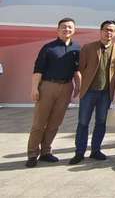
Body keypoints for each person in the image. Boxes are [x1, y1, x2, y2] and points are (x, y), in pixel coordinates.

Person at [26, 18, 80, 168]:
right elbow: (38, 70)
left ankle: (46, 151)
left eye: (70, 27)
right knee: (39, 123)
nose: (67, 29)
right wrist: (34, 88)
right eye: (64, 27)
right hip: (47, 86)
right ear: (58, 30)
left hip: (66, 87)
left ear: (74, 30)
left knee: (55, 123)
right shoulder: (48, 48)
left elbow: (77, 70)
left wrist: (78, 86)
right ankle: (32, 154)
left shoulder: (77, 48)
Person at [70, 20, 115, 164]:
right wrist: (79, 86)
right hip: (89, 91)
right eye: (106, 29)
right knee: (83, 122)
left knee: (101, 122)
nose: (108, 32)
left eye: (111, 30)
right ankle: (79, 152)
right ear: (101, 31)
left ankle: (96, 150)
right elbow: (81, 68)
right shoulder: (88, 47)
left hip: (105, 93)